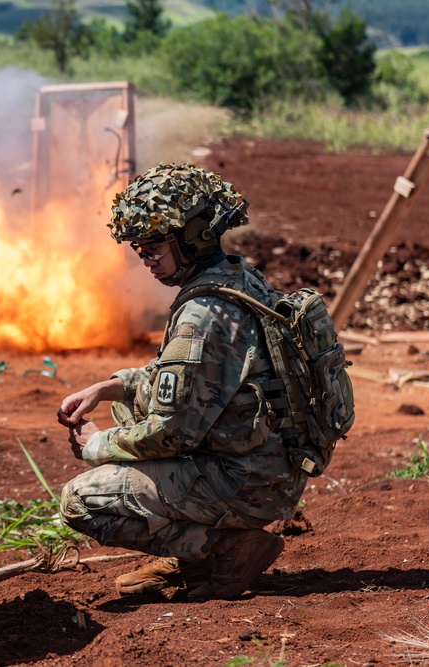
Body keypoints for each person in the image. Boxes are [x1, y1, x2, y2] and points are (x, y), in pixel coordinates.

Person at [57, 163, 308, 601]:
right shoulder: (237, 278)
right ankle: (197, 548)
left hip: (247, 481)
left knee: (82, 500)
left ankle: (223, 548)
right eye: (139, 248)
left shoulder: (202, 315)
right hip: (270, 463)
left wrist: (97, 445)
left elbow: (173, 433)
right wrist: (108, 387)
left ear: (192, 237)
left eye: (154, 247)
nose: (146, 259)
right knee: (126, 407)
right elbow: (191, 381)